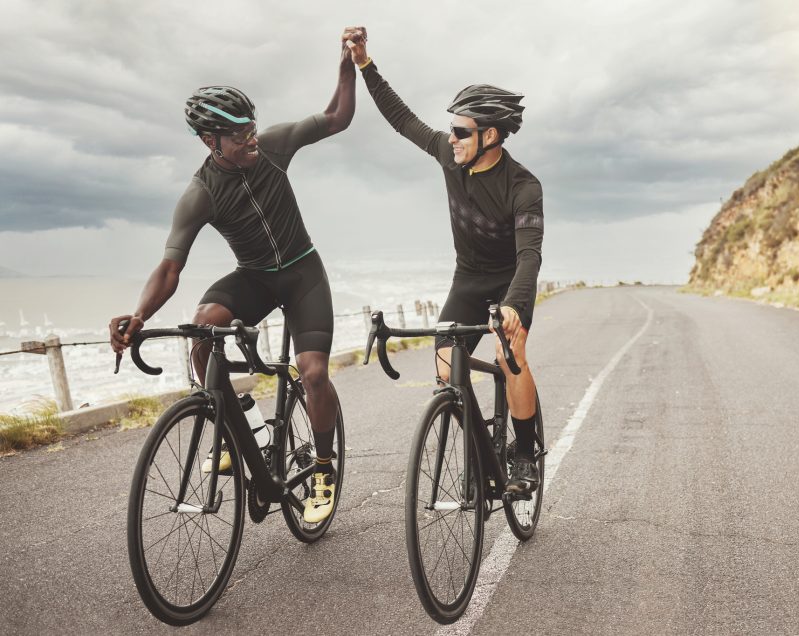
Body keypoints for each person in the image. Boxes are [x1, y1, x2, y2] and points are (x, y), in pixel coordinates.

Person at [109, 38, 358, 524]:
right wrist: (139, 317)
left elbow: (336, 117)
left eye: (253, 128)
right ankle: (240, 423)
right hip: (256, 278)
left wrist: (346, 68)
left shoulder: (275, 146)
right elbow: (170, 268)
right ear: (210, 141)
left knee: (312, 372)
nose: (252, 139)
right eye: (240, 134)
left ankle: (324, 469)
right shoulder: (200, 193)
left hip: (304, 273)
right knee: (203, 329)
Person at [342, 27, 543, 494]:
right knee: (444, 367)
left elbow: (530, 255)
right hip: (469, 279)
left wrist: (513, 309)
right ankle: (483, 450)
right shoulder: (448, 157)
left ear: (490, 135)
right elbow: (400, 117)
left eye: (460, 130)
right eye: (450, 128)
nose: (450, 137)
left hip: (511, 281)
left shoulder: (523, 186)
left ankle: (526, 455)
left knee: (509, 357)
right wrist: (365, 63)